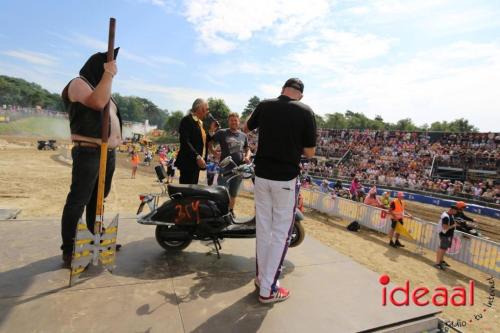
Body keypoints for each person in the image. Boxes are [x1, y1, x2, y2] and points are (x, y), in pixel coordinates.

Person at [245, 78, 316, 304]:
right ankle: (268, 289)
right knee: (281, 234)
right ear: (300, 95)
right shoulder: (305, 111)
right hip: (285, 178)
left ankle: (261, 278)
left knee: (264, 229)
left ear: (282, 90)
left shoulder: (265, 105)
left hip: (262, 175)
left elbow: (247, 127)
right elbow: (310, 153)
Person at [60, 48, 122, 268]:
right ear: (99, 67)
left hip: (107, 153)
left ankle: (96, 237)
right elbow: (96, 103)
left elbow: (106, 106)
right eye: (106, 67)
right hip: (89, 151)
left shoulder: (105, 91)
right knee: (78, 200)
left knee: (98, 199)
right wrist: (108, 75)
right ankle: (70, 249)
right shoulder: (78, 83)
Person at [211, 113, 251, 215]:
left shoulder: (243, 135)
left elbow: (248, 149)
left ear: (239, 122)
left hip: (239, 169)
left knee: (233, 194)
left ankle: (230, 212)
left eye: (235, 120)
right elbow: (209, 142)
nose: (234, 122)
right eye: (231, 120)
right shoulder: (222, 133)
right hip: (225, 169)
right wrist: (213, 152)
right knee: (222, 193)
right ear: (228, 121)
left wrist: (247, 156)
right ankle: (221, 213)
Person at [174, 98, 217, 184]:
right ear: (200, 109)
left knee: (191, 192)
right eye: (207, 109)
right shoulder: (187, 120)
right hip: (188, 162)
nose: (208, 111)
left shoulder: (200, 123)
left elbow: (203, 142)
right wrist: (197, 156)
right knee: (186, 192)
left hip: (195, 164)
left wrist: (212, 131)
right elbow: (185, 141)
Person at [435, 205, 458, 270]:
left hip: (448, 234)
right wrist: (454, 225)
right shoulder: (446, 217)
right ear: (452, 210)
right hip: (445, 234)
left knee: (444, 249)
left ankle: (441, 261)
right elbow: (445, 227)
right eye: (456, 211)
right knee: (442, 249)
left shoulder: (450, 215)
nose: (456, 212)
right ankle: (437, 263)